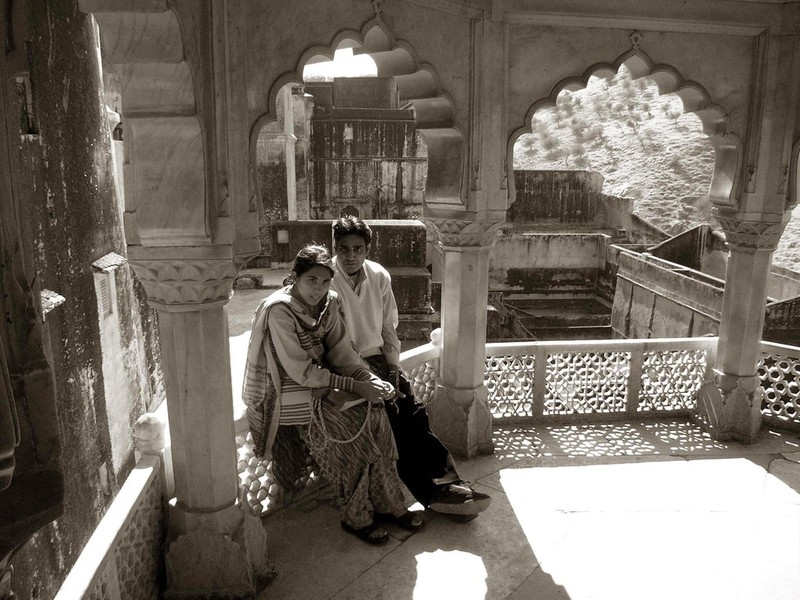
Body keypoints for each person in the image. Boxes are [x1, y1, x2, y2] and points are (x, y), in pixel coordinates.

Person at [242, 244, 424, 545]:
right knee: (351, 429)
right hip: (288, 389)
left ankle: (389, 504)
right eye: (311, 280)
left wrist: (370, 379)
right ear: (295, 277)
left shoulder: (330, 302)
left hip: (323, 378)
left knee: (377, 414)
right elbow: (301, 371)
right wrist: (354, 387)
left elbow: (343, 354)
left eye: (325, 281)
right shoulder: (280, 311)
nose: (319, 289)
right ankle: (356, 515)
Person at [330, 216, 491, 520]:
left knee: (414, 414)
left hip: (380, 359)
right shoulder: (327, 281)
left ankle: (448, 482)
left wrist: (393, 368)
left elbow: (388, 328)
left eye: (357, 249)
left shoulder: (378, 275)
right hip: (348, 365)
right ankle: (431, 493)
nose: (350, 256)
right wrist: (368, 375)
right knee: (393, 420)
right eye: (344, 249)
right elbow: (337, 342)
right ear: (335, 248)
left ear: (367, 249)